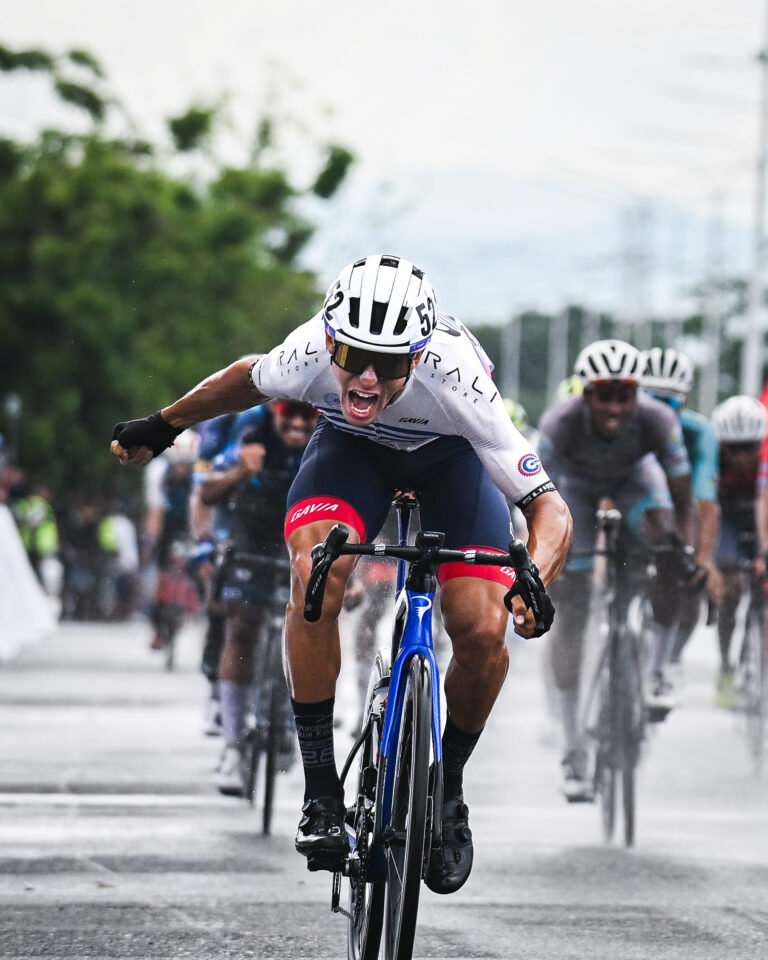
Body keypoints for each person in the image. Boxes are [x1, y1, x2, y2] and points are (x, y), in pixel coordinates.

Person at [111, 252, 571, 894]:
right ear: (330, 341)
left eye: (389, 364)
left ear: (418, 356)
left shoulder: (458, 378)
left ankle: (449, 791)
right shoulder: (309, 352)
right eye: (353, 358)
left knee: (482, 628)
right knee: (316, 576)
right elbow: (247, 378)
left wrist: (536, 577)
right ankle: (322, 792)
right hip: (351, 457)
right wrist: (164, 424)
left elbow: (546, 506)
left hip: (452, 464)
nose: (367, 379)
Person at [537, 339, 698, 802]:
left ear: (637, 396)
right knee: (574, 605)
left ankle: (657, 671)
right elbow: (534, 498)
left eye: (623, 396)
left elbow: (682, 495)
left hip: (635, 483)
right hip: (576, 492)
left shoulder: (658, 420)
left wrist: (681, 549)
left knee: (667, 548)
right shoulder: (559, 423)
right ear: (585, 394)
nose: (613, 406)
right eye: (603, 395)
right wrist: (543, 559)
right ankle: (572, 750)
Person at [200, 399, 318, 795]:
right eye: (290, 413)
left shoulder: (325, 441)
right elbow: (208, 493)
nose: (299, 422)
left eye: (309, 414)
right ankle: (232, 749)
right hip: (250, 532)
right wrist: (239, 471)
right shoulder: (249, 432)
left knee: (307, 628)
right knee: (241, 630)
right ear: (274, 412)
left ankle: (287, 722)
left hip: (297, 536)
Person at [640, 348, 722, 676]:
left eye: (670, 402)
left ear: (684, 402)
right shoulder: (626, 425)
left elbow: (703, 503)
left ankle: (661, 667)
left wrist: (700, 560)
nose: (660, 411)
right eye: (651, 399)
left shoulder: (700, 433)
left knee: (682, 580)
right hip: (635, 505)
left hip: (678, 510)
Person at [713, 396, 767, 708]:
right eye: (734, 448)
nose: (743, 455)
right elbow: (706, 508)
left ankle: (757, 664)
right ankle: (725, 666)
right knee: (731, 588)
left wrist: (763, 553)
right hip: (728, 520)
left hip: (761, 516)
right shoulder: (714, 459)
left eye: (750, 446)